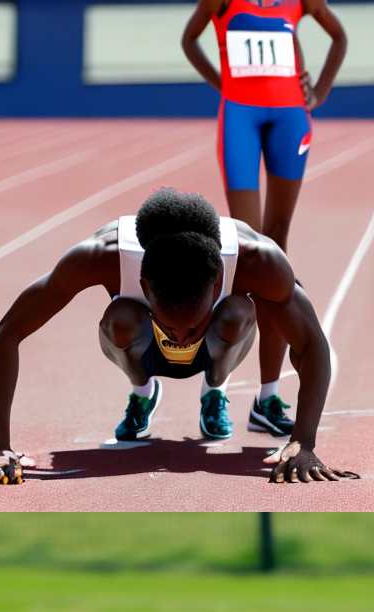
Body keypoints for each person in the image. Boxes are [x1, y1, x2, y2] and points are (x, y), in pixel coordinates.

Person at [0, 188, 353, 484]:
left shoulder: (258, 259)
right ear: (145, 286)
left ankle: (214, 389)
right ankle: (142, 390)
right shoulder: (99, 255)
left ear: (216, 286)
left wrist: (305, 441)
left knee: (240, 313)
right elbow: (9, 332)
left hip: (220, 348)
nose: (181, 337)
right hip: (140, 346)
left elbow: (312, 343)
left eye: (191, 326)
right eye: (172, 325)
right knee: (120, 317)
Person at [182, 1, 347, 436]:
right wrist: (224, 83)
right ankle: (212, 389)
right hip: (241, 116)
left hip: (291, 116)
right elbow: (189, 39)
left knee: (275, 251)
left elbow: (339, 35)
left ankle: (267, 397)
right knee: (240, 253)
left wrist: (322, 88)